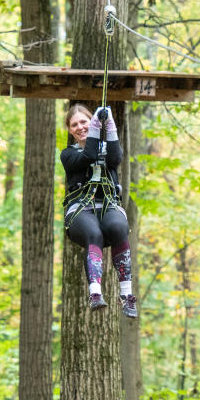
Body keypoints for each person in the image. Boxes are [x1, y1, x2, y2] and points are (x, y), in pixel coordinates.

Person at [61, 103, 137, 317]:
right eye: (74, 125)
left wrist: (108, 125)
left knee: (118, 227)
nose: (80, 127)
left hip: (108, 205)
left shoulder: (108, 146)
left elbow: (115, 158)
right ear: (69, 130)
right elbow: (88, 156)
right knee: (94, 234)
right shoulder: (67, 155)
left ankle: (127, 295)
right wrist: (96, 126)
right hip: (80, 209)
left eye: (84, 122)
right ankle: (95, 293)